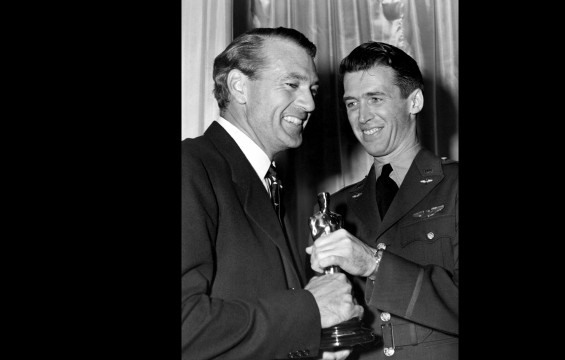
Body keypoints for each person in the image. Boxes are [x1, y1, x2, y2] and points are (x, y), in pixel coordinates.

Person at [182, 27, 362, 360]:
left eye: (312, 89)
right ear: (239, 87)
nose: (309, 103)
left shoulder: (262, 179)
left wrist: (312, 344)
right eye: (291, 84)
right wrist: (310, 310)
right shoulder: (191, 166)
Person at [306, 42, 458, 359]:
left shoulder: (455, 186)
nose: (362, 116)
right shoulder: (336, 207)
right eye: (351, 104)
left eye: (375, 98)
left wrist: (374, 264)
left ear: (414, 101)